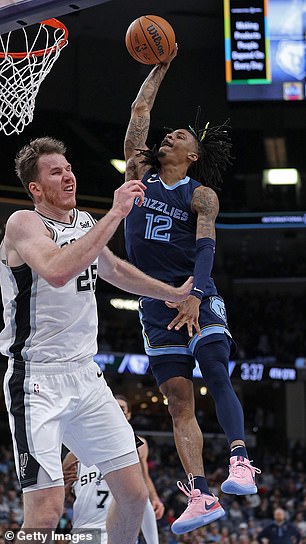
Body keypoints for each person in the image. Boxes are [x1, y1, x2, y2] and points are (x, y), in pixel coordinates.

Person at [0, 136, 192, 544]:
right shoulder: (24, 223)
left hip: (86, 376)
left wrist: (170, 292)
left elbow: (114, 271)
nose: (68, 175)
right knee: (46, 514)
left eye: (68, 168)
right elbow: (55, 270)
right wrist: (117, 213)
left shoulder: (85, 223)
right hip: (37, 380)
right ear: (35, 188)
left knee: (134, 495)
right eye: (56, 172)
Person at [123, 46, 261, 536]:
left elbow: (207, 248)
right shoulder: (137, 174)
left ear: (193, 155)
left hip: (194, 291)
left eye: (179, 136)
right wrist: (160, 68)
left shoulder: (200, 194)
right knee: (179, 401)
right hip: (152, 302)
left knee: (216, 372)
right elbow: (141, 113)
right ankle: (201, 494)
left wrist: (197, 294)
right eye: (169, 133)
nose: (168, 136)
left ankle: (241, 462)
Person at [63, 394, 164, 544]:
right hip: (85, 531)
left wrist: (154, 496)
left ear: (128, 414)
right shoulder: (76, 451)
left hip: (119, 531)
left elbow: (143, 479)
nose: (117, 411)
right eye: (113, 407)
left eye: (122, 408)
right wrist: (63, 485)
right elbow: (62, 494)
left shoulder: (136, 446)